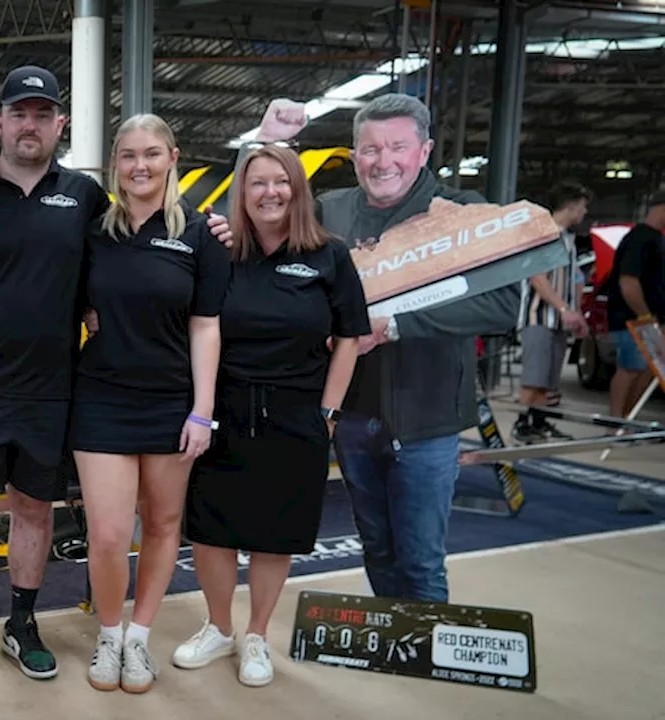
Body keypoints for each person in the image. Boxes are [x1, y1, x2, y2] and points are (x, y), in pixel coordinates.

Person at [0, 65, 233, 690]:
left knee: (34, 510)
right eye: (18, 114)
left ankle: (22, 624)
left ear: (59, 124)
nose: (30, 125)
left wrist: (214, 227)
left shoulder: (83, 199)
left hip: (54, 388)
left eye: (42, 114)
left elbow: (136, 250)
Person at [245, 94, 521, 604]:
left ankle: (426, 657)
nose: (383, 161)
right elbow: (252, 224)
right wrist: (267, 143)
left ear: (425, 151)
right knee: (375, 546)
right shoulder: (330, 210)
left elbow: (504, 306)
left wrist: (395, 326)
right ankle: (393, 641)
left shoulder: (463, 212)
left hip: (427, 418)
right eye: (370, 149)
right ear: (354, 156)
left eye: (397, 146)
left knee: (420, 557)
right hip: (350, 414)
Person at [169, 144, 370, 687]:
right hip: (224, 407)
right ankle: (219, 627)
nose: (269, 192)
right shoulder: (221, 252)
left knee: (274, 533)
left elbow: (351, 338)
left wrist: (328, 411)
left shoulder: (330, 255)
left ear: (297, 190)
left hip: (295, 412)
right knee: (211, 530)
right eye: (256, 183)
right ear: (242, 192)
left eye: (280, 182)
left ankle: (256, 633)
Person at [69, 113, 227, 694]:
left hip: (172, 403)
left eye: (152, 154)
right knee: (110, 534)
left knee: (162, 524)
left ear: (172, 158)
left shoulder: (201, 236)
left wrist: (202, 409)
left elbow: (205, 326)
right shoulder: (94, 231)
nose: (140, 165)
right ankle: (109, 635)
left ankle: (139, 638)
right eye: (129, 155)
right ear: (116, 163)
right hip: (102, 398)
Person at [512, 181, 593, 444]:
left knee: (548, 379)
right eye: (582, 207)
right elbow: (537, 277)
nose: (584, 213)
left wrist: (575, 312)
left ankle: (539, 422)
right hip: (539, 317)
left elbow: (576, 279)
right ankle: (522, 425)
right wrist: (563, 309)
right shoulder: (544, 234)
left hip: (558, 321)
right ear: (570, 206)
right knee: (534, 377)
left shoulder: (567, 239)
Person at [604, 191, 665, 419]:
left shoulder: (656, 238)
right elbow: (628, 281)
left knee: (647, 371)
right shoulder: (640, 238)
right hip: (633, 319)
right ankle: (616, 420)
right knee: (631, 369)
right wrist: (644, 316)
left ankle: (626, 419)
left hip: (648, 319)